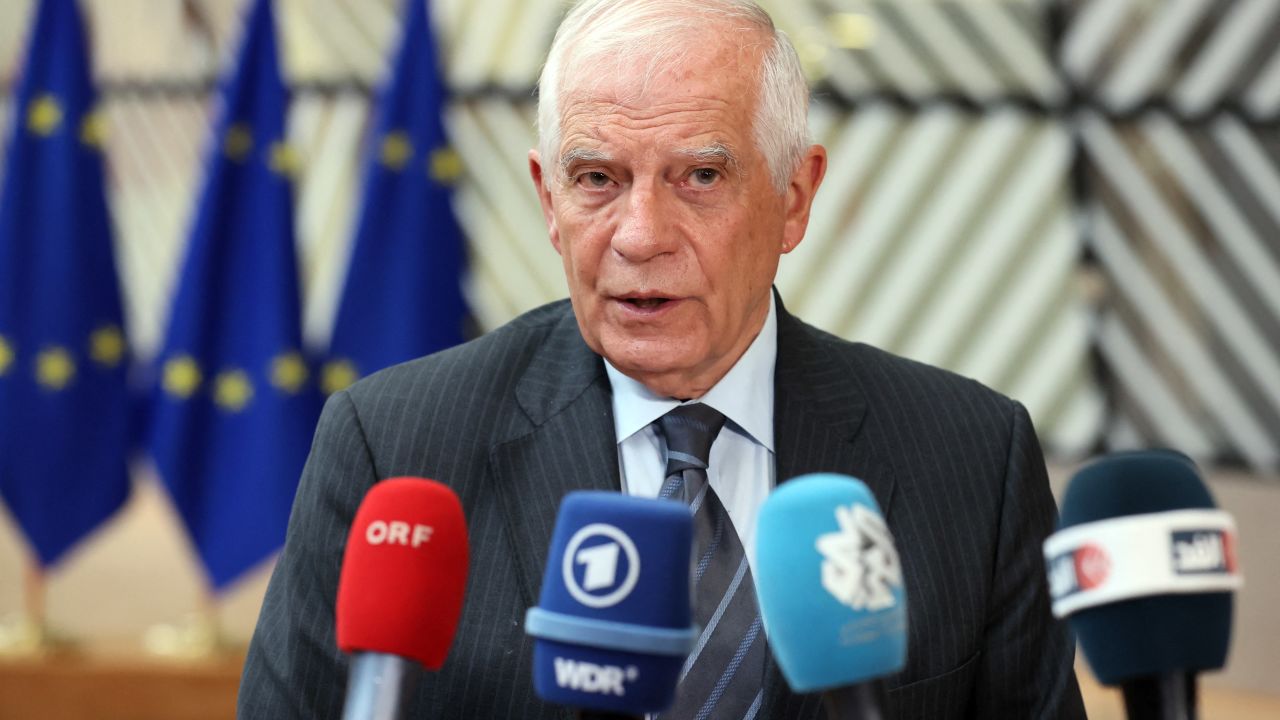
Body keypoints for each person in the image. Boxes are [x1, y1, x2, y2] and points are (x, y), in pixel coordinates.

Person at [238, 1, 1086, 718]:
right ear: (548, 198)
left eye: (701, 177)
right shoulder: (393, 446)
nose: (640, 236)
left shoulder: (974, 458)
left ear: (794, 199)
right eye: (598, 178)